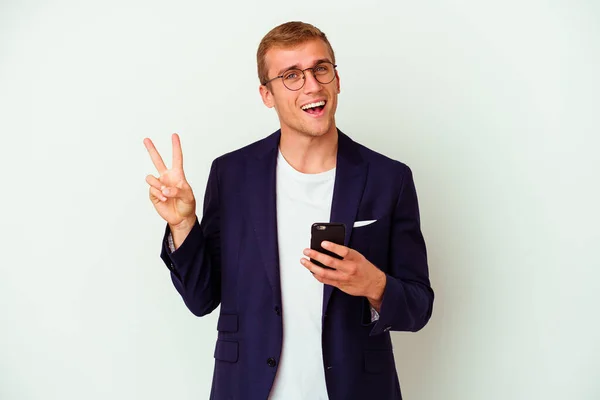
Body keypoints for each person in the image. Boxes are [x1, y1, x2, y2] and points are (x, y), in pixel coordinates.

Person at [144, 21, 434, 400]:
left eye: (320, 69)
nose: (312, 85)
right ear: (267, 94)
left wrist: (373, 284)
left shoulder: (388, 178)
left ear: (337, 79)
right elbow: (202, 299)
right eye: (291, 76)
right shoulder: (232, 175)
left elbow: (418, 308)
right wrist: (183, 224)